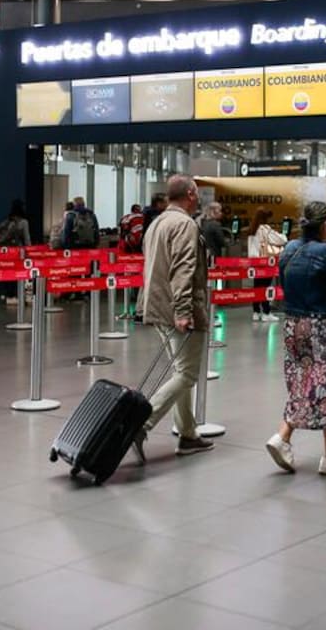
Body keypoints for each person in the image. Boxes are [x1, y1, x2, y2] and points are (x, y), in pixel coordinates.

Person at [265, 200, 326, 475]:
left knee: (303, 381)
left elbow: (284, 284)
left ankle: (282, 437)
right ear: (325, 225)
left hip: (294, 325)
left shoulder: (288, 250)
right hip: (324, 328)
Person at [135, 174, 215, 459]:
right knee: (187, 373)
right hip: (177, 310)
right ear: (191, 194)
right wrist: (183, 311)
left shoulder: (157, 223)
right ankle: (141, 424)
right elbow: (182, 270)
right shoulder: (184, 225)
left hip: (156, 307)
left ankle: (188, 434)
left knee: (181, 371)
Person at [247, 207, 287, 321]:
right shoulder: (265, 229)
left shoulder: (252, 229)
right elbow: (280, 240)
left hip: (254, 263)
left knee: (257, 287)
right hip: (265, 263)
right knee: (266, 288)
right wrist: (284, 235)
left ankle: (256, 312)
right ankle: (266, 312)